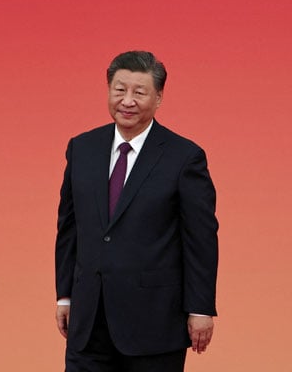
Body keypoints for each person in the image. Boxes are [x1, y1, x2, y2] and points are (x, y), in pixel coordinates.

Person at [54, 51, 219, 372]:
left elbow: (200, 238)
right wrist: (65, 296)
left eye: (139, 93)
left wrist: (200, 308)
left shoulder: (184, 157)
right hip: (89, 319)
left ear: (158, 99)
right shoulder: (82, 148)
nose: (127, 101)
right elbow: (69, 228)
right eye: (119, 90)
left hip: (154, 321)